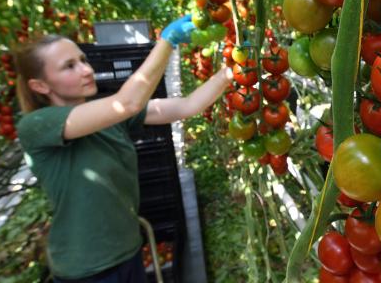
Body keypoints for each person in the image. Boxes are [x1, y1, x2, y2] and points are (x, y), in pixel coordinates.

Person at [14, 15, 233, 283]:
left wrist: (232, 71)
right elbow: (127, 103)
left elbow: (186, 106)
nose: (86, 70)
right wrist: (167, 42)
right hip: (86, 271)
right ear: (40, 86)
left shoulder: (108, 115)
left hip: (129, 253)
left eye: (83, 60)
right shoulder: (37, 125)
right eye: (69, 66)